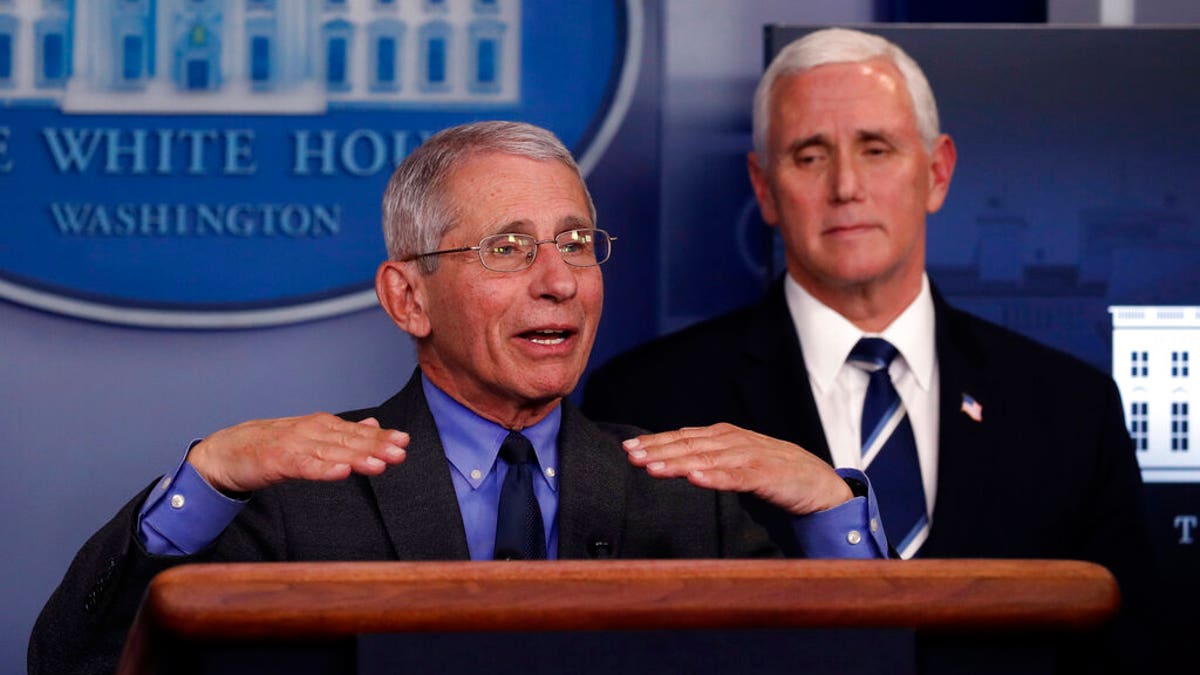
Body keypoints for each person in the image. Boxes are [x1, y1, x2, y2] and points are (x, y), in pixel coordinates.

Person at [29, 120, 889, 675]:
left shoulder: (680, 498)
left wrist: (828, 508)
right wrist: (206, 479)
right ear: (408, 297)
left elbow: (863, 665)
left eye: (578, 243)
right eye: (510, 248)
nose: (558, 282)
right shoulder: (298, 500)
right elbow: (74, 663)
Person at [582, 24, 1149, 616]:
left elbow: (1125, 644)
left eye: (876, 149)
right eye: (810, 155)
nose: (846, 187)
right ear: (765, 188)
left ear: (937, 172)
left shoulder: (1072, 408)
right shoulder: (649, 401)